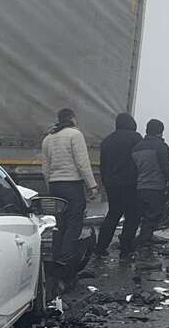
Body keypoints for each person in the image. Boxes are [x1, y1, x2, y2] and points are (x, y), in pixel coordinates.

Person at [41, 108, 99, 272]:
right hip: (72, 185)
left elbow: (45, 168)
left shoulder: (48, 138)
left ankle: (56, 257)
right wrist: (92, 185)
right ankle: (66, 260)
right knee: (73, 223)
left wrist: (50, 187)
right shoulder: (75, 135)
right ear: (72, 119)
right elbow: (82, 163)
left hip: (55, 186)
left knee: (59, 224)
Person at [95, 112, 143, 257]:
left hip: (112, 185)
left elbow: (103, 165)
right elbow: (140, 161)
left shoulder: (107, 141)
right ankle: (125, 249)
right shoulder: (136, 138)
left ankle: (100, 247)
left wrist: (105, 182)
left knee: (113, 215)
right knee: (132, 216)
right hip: (131, 183)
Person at [132, 119, 169, 251]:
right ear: (160, 132)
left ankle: (145, 238)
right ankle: (141, 243)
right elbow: (167, 167)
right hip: (155, 186)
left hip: (140, 187)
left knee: (145, 215)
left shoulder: (137, 147)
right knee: (153, 215)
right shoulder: (160, 146)